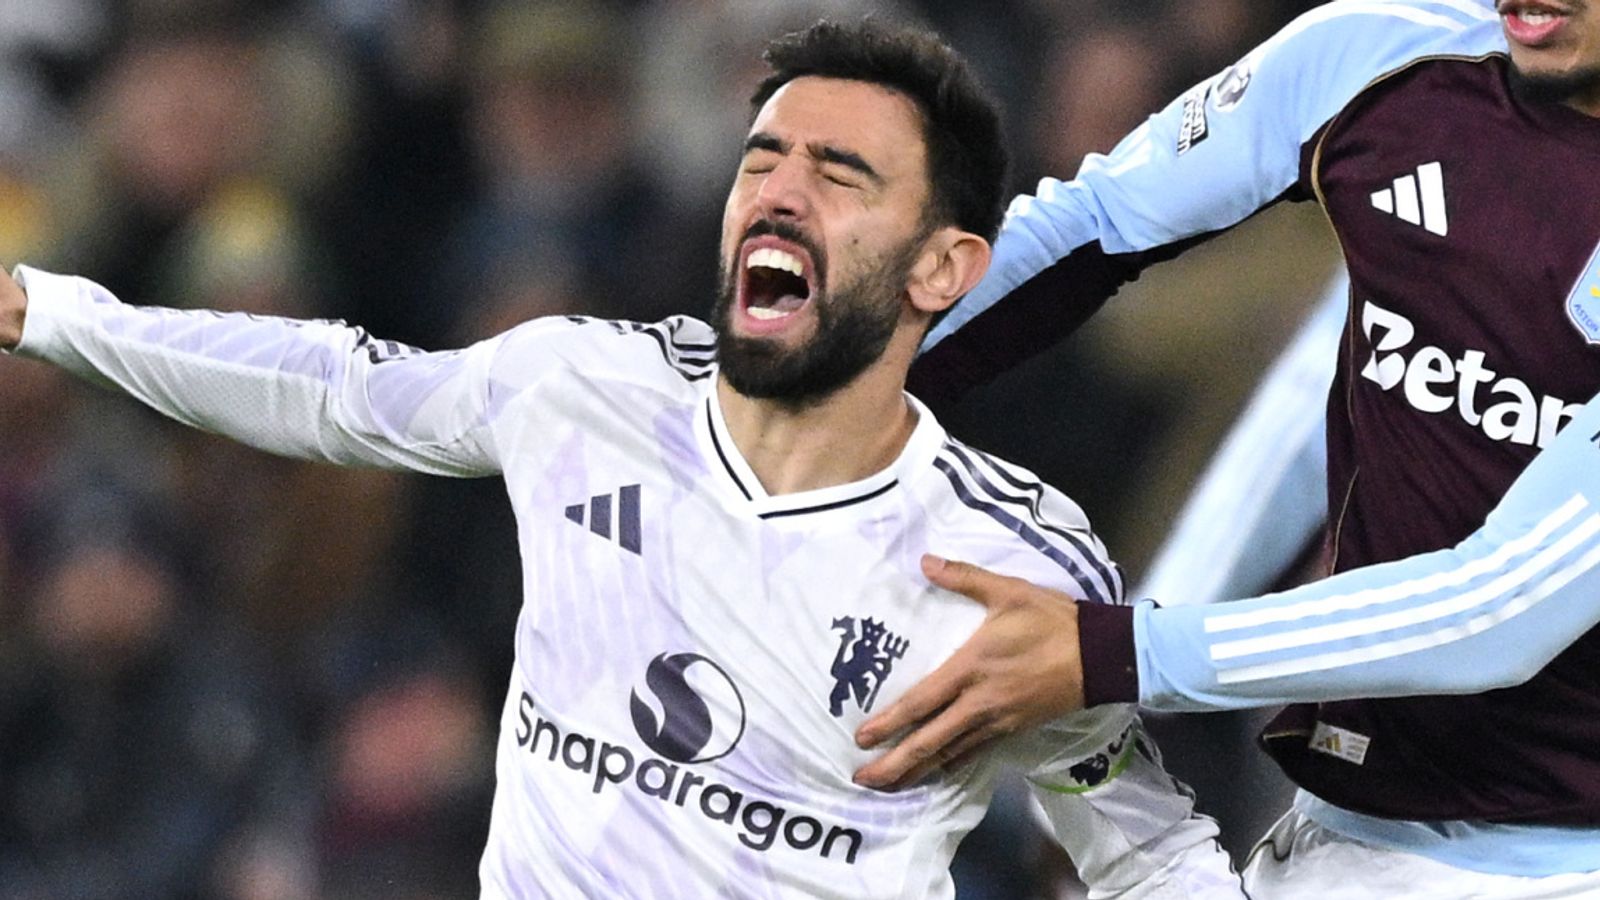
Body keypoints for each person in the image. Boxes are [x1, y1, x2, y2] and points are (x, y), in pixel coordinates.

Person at [0, 19, 1244, 899]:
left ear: (942, 267)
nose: (779, 191)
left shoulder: (1003, 564)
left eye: (839, 172)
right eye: (762, 158)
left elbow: (1145, 854)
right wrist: (48, 312)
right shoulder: (586, 393)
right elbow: (335, 386)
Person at [852, 0, 1600, 895]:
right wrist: (803, 392)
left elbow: (1498, 609)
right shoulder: (1382, 54)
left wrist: (1118, 652)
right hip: (1343, 836)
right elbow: (1095, 220)